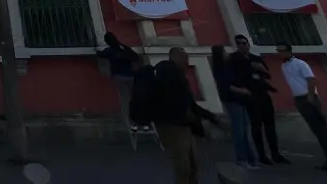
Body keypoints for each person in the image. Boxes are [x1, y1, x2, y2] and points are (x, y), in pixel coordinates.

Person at [149, 47, 218, 184]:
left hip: (183, 126)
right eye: (185, 59)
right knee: (184, 167)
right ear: (177, 58)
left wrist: (211, 117)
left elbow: (190, 104)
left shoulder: (172, 75)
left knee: (191, 165)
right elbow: (178, 104)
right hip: (174, 127)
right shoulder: (170, 75)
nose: (187, 63)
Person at [278, 44, 327, 174]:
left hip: (309, 98)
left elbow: (311, 80)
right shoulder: (284, 66)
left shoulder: (300, 63)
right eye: (278, 51)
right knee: (317, 131)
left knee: (324, 130)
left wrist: (310, 98)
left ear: (288, 51)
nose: (280, 53)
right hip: (299, 99)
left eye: (282, 51)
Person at [231, 33, 287, 165]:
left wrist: (261, 68)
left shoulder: (256, 59)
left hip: (263, 95)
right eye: (238, 43)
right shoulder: (234, 59)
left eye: (244, 43)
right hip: (250, 97)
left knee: (270, 126)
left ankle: (275, 153)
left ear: (248, 45)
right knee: (256, 127)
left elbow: (267, 76)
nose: (241, 46)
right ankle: (261, 154)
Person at [211, 45, 258, 169]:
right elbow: (226, 86)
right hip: (232, 100)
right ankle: (242, 159)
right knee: (239, 131)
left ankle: (250, 159)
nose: (227, 54)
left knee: (244, 129)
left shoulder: (228, 66)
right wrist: (242, 90)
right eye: (224, 52)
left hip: (238, 100)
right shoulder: (220, 69)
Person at [97, 32, 141, 127]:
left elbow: (100, 54)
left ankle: (130, 122)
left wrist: (96, 49)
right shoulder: (124, 48)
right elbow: (136, 57)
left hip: (119, 77)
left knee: (125, 100)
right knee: (135, 98)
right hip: (131, 76)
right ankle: (141, 120)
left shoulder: (110, 50)